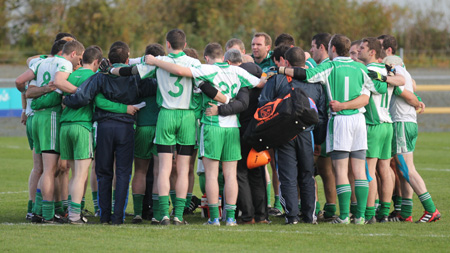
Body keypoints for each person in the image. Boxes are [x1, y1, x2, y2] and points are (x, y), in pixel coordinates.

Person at [144, 42, 264, 226]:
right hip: (232, 128)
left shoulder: (206, 69)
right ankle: (231, 218)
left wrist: (156, 61)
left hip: (212, 126)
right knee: (231, 174)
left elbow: (182, 72)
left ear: (206, 57)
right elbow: (261, 82)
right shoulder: (238, 72)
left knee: (211, 175)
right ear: (224, 57)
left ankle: (214, 218)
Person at [275, 34, 379, 224]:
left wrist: (281, 69)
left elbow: (305, 74)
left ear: (332, 49)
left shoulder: (330, 66)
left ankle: (345, 216)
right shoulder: (361, 67)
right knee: (359, 171)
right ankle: (361, 216)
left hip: (340, 120)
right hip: (359, 120)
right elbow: (370, 94)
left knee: (339, 170)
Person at [63, 42, 158, 225]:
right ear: (128, 58)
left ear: (108, 59)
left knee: (103, 172)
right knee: (122, 173)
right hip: (126, 129)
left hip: (104, 128)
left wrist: (68, 100)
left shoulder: (100, 76)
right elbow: (153, 87)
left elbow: (83, 97)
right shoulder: (134, 77)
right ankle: (118, 217)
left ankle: (104, 216)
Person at [16, 40, 85, 223]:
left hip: (35, 116)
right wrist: (81, 92)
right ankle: (47, 215)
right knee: (49, 170)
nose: (78, 62)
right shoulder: (63, 64)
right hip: (50, 117)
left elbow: (23, 86)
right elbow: (61, 84)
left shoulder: (39, 62)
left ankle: (37, 211)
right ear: (71, 54)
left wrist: (35, 98)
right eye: (78, 58)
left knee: (41, 169)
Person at [259, 47, 327, 224]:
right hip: (307, 135)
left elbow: (264, 106)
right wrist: (319, 139)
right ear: (305, 63)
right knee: (307, 175)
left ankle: (292, 216)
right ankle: (309, 215)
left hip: (285, 135)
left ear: (286, 63)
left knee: (287, 176)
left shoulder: (277, 79)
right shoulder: (316, 82)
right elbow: (320, 114)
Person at [383, 56, 440, 223]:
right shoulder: (405, 72)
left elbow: (403, 91)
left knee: (406, 169)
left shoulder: (397, 72)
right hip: (407, 122)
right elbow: (411, 89)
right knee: (403, 170)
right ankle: (406, 212)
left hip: (401, 123)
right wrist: (418, 101)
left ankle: (431, 209)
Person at [59, 46, 103, 224]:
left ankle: (71, 212)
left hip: (65, 126)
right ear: (96, 62)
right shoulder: (93, 76)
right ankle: (75, 216)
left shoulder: (70, 75)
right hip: (82, 126)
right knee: (80, 175)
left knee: (73, 173)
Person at [357, 37, 395, 223]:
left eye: (362, 48)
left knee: (369, 171)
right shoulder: (386, 69)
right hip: (388, 124)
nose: (359, 51)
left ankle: (370, 214)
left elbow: (378, 89)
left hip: (373, 124)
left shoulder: (369, 70)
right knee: (385, 170)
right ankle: (385, 212)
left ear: (372, 52)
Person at [130, 44, 164, 224]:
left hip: (142, 126)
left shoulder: (138, 75)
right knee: (160, 172)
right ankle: (157, 215)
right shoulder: (165, 74)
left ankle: (137, 213)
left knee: (140, 171)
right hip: (160, 126)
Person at [309, 32, 337, 220]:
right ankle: (329, 211)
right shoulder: (332, 66)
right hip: (330, 125)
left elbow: (308, 77)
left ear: (322, 47)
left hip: (323, 125)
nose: (310, 50)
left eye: (312, 46)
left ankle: (316, 209)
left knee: (312, 169)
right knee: (327, 171)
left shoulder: (325, 67)